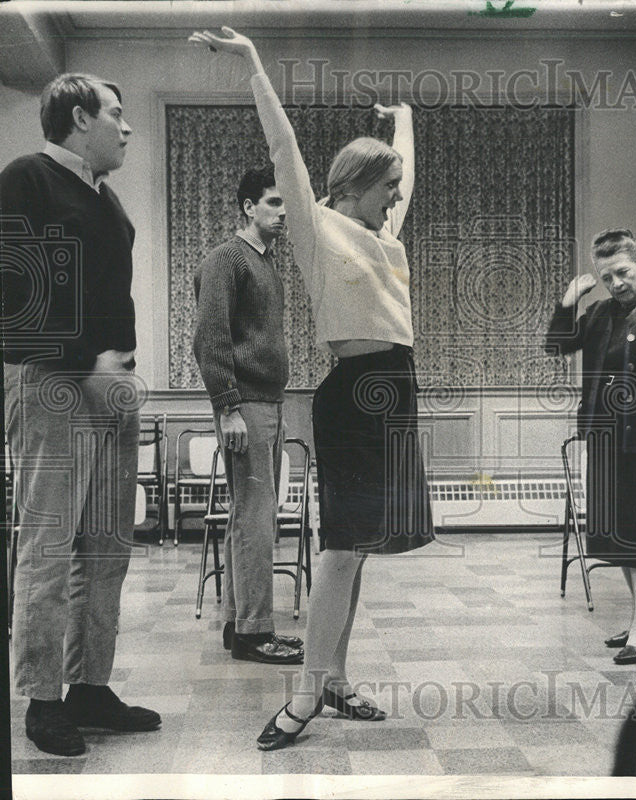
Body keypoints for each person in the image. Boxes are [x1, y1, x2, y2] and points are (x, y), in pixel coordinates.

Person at [189, 27, 435, 750]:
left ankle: (334, 679)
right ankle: (302, 696)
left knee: (358, 551)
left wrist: (406, 123)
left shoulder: (386, 235)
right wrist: (253, 63)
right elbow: (284, 147)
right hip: (357, 392)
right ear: (352, 185)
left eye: (396, 189)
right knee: (341, 548)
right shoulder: (317, 228)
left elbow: (408, 175)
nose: (396, 196)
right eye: (385, 186)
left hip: (398, 389)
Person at [1, 74, 161, 756]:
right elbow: (13, 303)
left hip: (107, 388)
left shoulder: (106, 196)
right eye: (116, 115)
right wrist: (90, 359)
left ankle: (89, 687)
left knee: (106, 549)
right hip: (53, 386)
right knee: (47, 550)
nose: (127, 128)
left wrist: (119, 369)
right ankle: (42, 701)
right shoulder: (27, 180)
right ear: (76, 116)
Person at [545, 229, 636, 665]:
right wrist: (568, 302)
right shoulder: (601, 314)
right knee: (620, 535)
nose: (617, 283)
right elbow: (556, 346)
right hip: (604, 436)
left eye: (623, 272)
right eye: (607, 277)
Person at [193, 166, 304, 664]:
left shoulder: (265, 263)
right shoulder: (227, 259)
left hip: (269, 406)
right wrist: (229, 409)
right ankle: (256, 632)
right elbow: (209, 339)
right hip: (246, 409)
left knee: (255, 518)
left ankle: (241, 626)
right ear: (248, 206)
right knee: (256, 520)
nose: (283, 213)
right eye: (274, 203)